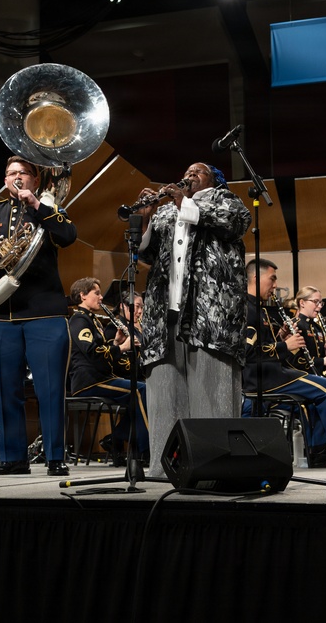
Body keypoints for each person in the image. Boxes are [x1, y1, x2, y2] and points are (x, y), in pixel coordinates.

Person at [136, 162, 251, 479]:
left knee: (210, 389)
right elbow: (146, 255)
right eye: (186, 171)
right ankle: (165, 468)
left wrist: (183, 202)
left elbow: (234, 224)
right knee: (165, 392)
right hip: (164, 315)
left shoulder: (226, 200)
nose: (189, 174)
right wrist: (144, 219)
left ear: (215, 180)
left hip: (209, 314)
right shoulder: (165, 211)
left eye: (198, 171)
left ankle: (215, 467)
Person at [0, 155, 76, 476]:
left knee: (49, 389)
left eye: (24, 173)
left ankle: (55, 457)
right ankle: (12, 458)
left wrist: (37, 205)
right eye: (12, 172)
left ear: (35, 180)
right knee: (4, 390)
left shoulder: (49, 208)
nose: (17, 177)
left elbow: (68, 235)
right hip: (1, 315)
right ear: (5, 179)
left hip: (45, 312)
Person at [243, 261, 326, 466]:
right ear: (256, 278)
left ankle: (324, 448)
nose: (275, 285)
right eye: (272, 279)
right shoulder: (247, 309)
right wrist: (286, 346)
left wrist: (281, 338)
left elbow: (267, 345)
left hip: (276, 372)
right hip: (262, 378)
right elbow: (248, 353)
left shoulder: (261, 309)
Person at [67, 277, 149, 465]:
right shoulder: (79, 320)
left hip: (101, 378)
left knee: (141, 392)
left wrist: (115, 342)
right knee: (140, 390)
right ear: (83, 296)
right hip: (89, 381)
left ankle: (118, 438)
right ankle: (144, 452)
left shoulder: (91, 320)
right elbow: (93, 353)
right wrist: (122, 348)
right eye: (96, 293)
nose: (101, 297)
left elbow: (102, 351)